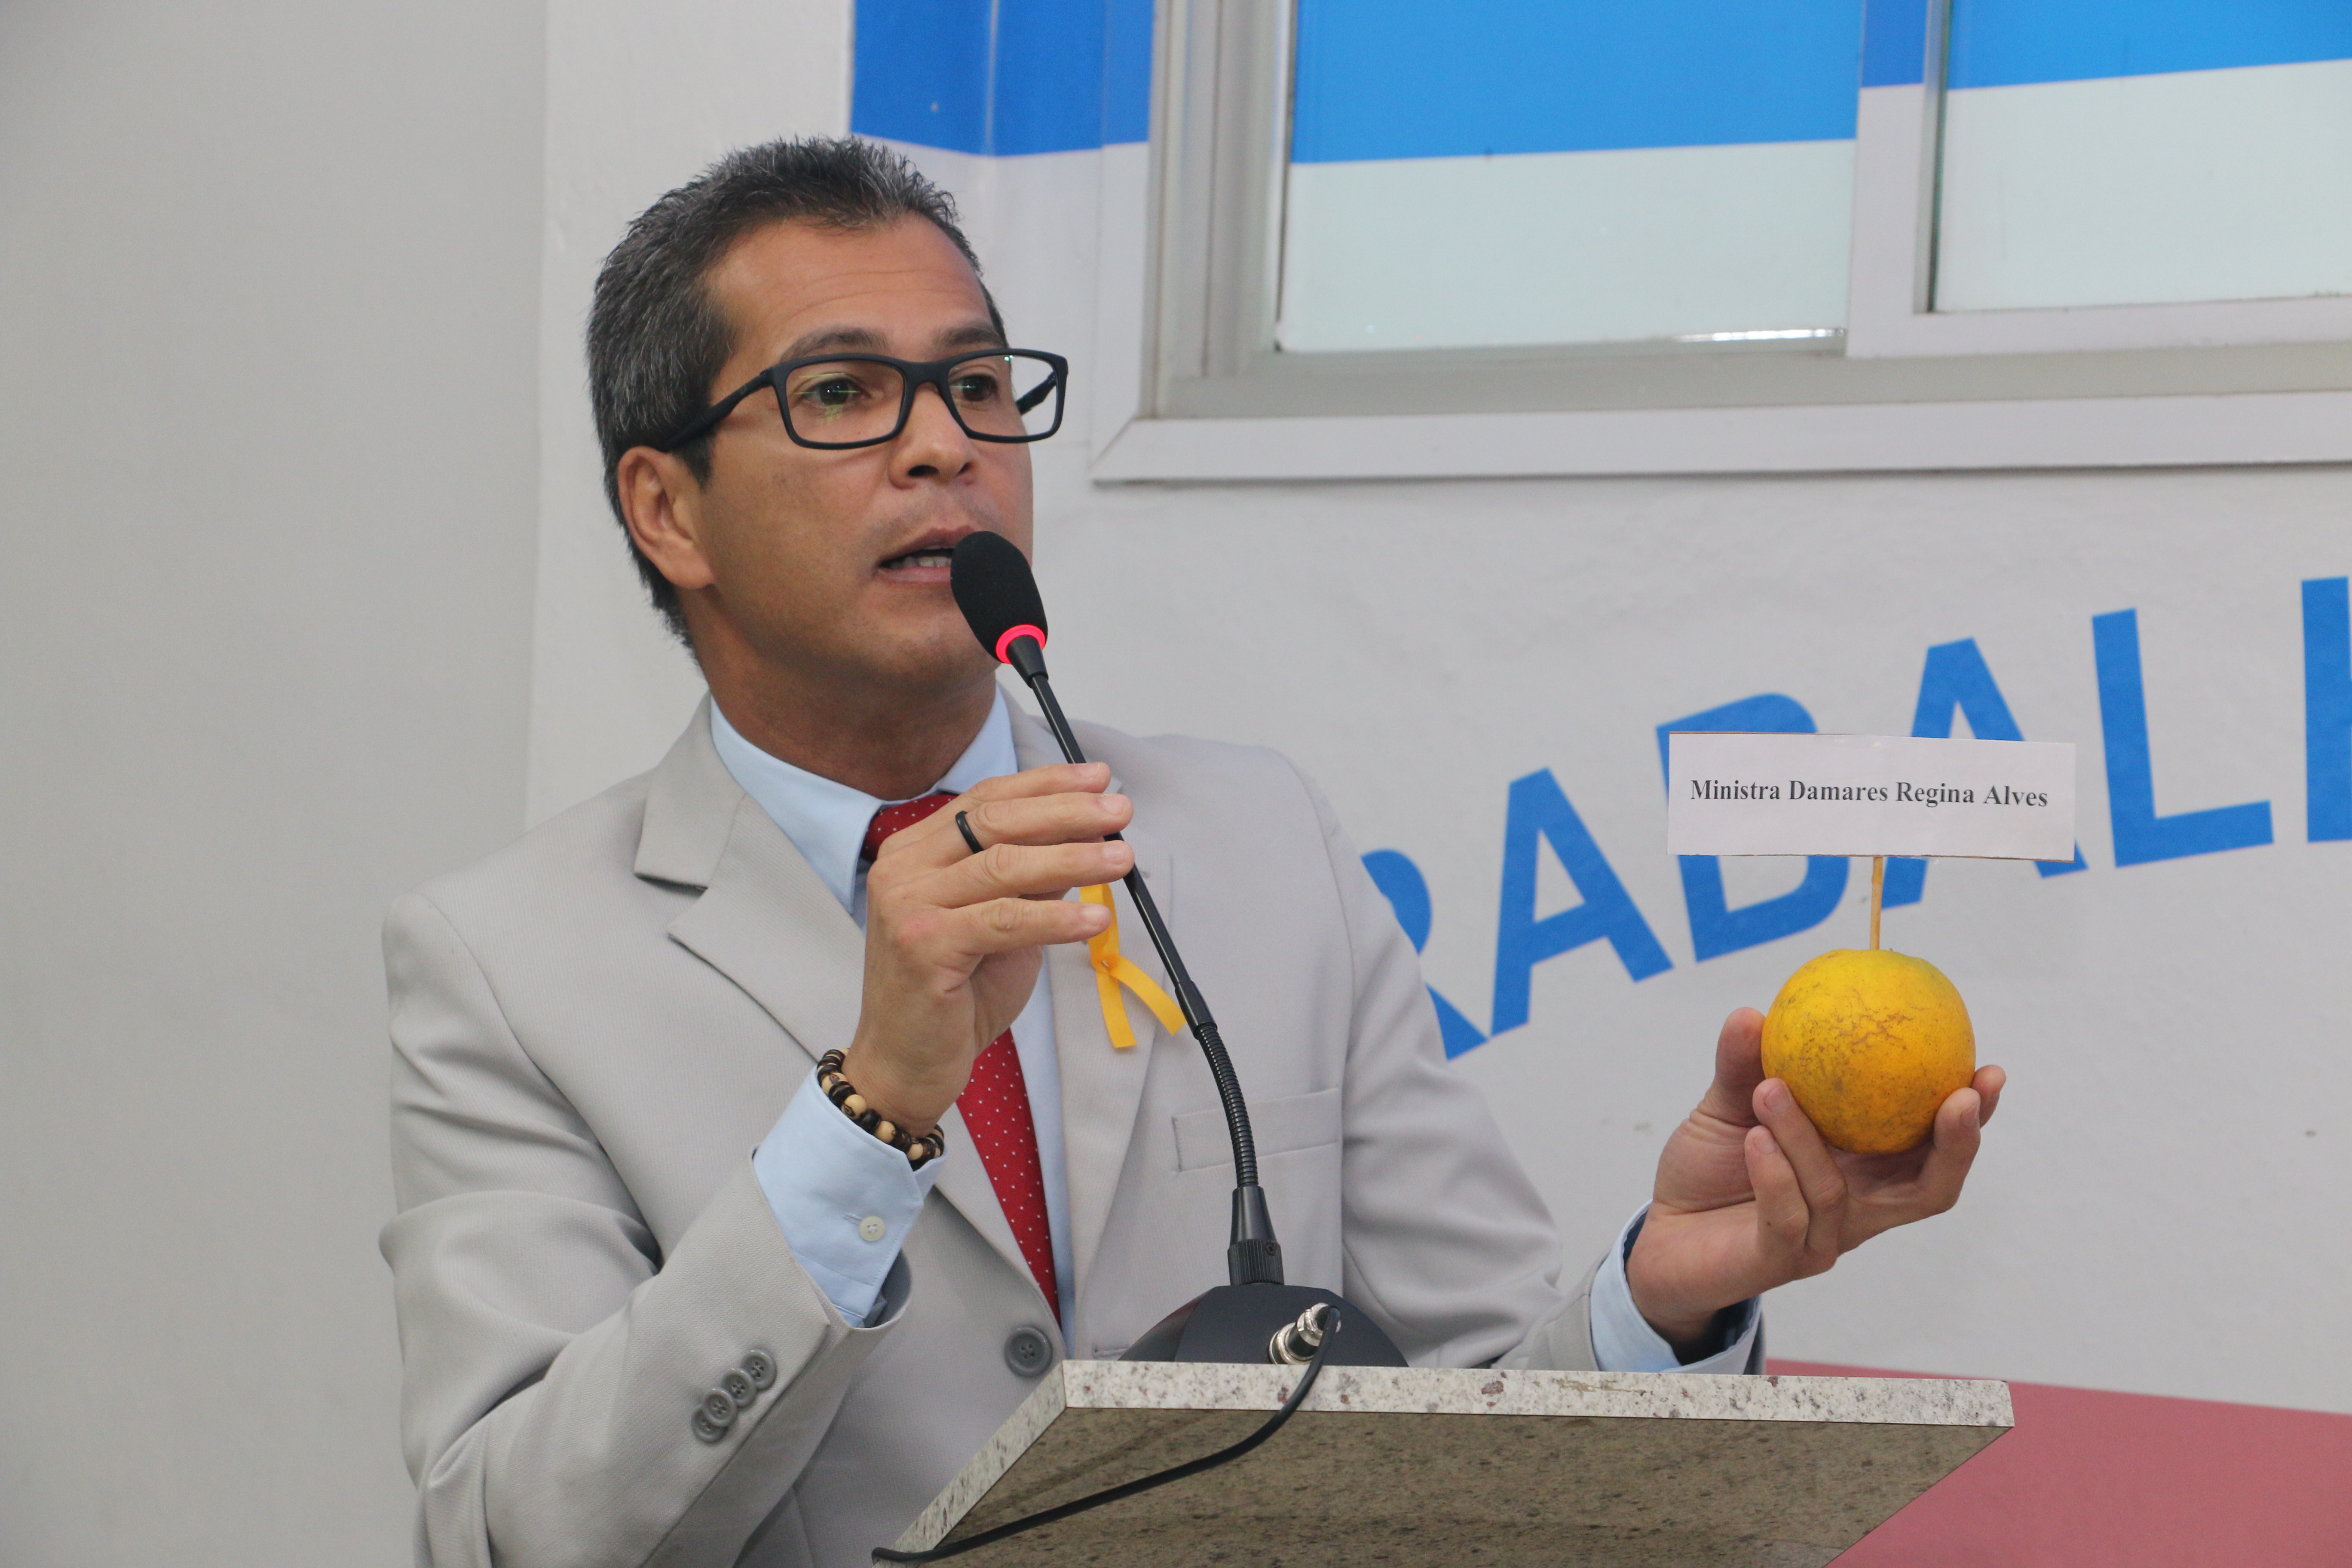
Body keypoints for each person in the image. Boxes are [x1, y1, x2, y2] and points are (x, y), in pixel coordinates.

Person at [379, 137, 2004, 1568]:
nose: (944, 446)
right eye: (843, 394)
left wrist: (1667, 1299)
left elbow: (1475, 1410)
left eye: (977, 384)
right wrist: (865, 1114)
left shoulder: (1254, 840)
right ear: (667, 511)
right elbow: (519, 1531)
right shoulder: (511, 966)